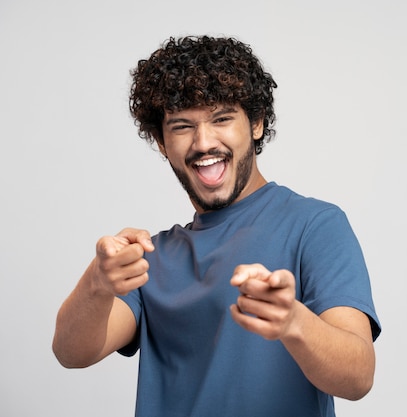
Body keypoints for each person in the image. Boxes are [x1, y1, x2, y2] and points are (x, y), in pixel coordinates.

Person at [52, 35, 381, 417]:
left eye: (222, 118)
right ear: (161, 142)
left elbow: (358, 377)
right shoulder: (149, 259)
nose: (204, 142)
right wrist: (97, 282)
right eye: (181, 126)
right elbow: (70, 352)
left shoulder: (315, 225)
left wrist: (293, 322)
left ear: (256, 124)